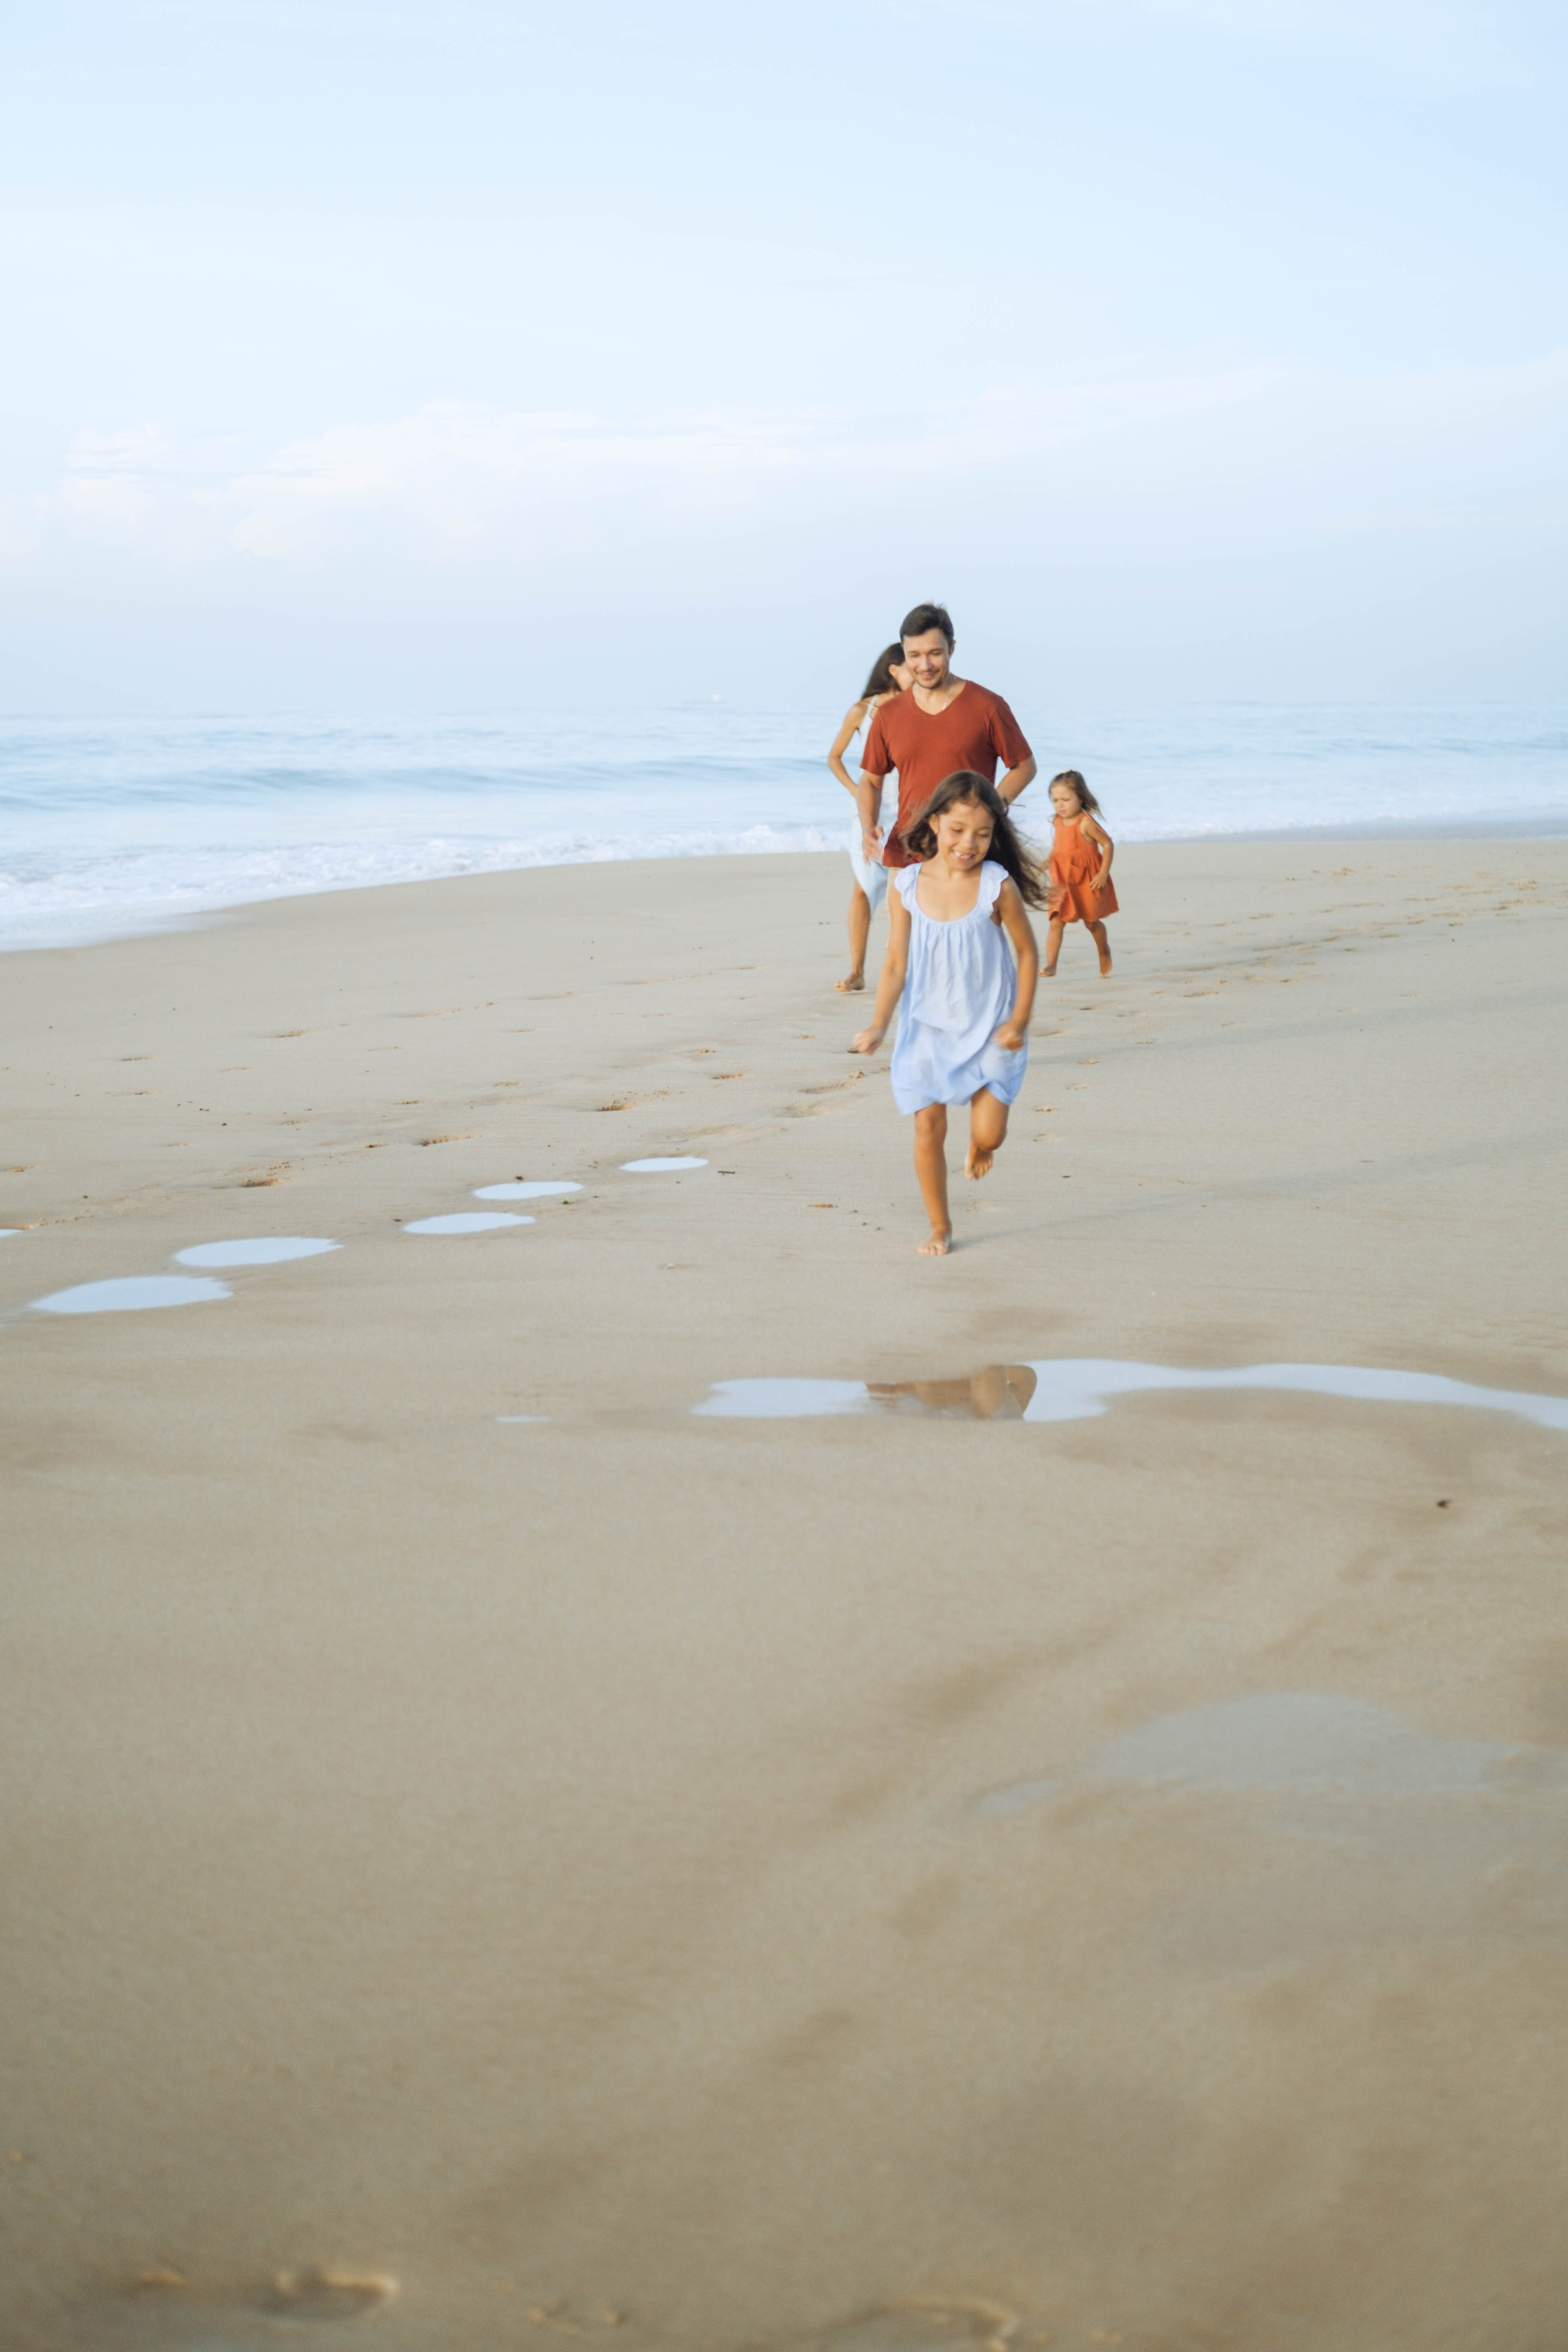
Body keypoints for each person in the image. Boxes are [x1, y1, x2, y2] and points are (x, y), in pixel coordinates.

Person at [850, 771, 1047, 1257]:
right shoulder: (906, 884)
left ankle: (981, 1146)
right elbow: (896, 961)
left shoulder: (996, 887)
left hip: (990, 1029)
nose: (969, 843)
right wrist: (879, 1023)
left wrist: (1018, 1021)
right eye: (958, 829)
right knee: (925, 1127)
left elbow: (1027, 955)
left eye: (983, 834)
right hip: (928, 1026)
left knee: (991, 1134)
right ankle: (940, 1226)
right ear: (935, 822)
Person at [855, 602, 1038, 875]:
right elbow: (871, 780)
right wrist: (868, 827)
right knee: (901, 919)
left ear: (952, 648)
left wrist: (986, 810)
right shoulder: (889, 715)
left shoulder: (988, 706)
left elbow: (1025, 766)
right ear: (903, 653)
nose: (924, 665)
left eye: (935, 653)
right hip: (908, 854)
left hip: (970, 854)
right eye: (914, 655)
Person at [825, 643, 911, 992]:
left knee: (902, 892)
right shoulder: (864, 710)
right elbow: (834, 757)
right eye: (912, 664)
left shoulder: (919, 707)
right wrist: (855, 791)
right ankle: (857, 971)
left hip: (908, 809)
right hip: (870, 810)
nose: (921, 671)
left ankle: (899, 970)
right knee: (863, 886)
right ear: (894, 669)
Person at [1044, 769, 1117, 977]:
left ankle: (1104, 950)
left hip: (1087, 879)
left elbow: (1108, 845)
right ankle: (1051, 965)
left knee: (1092, 922)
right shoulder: (1058, 821)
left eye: (1065, 800)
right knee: (1056, 921)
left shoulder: (1086, 822)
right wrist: (1044, 863)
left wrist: (1103, 873)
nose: (1060, 805)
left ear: (1081, 798)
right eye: (1055, 800)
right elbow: (1060, 849)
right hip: (1062, 880)